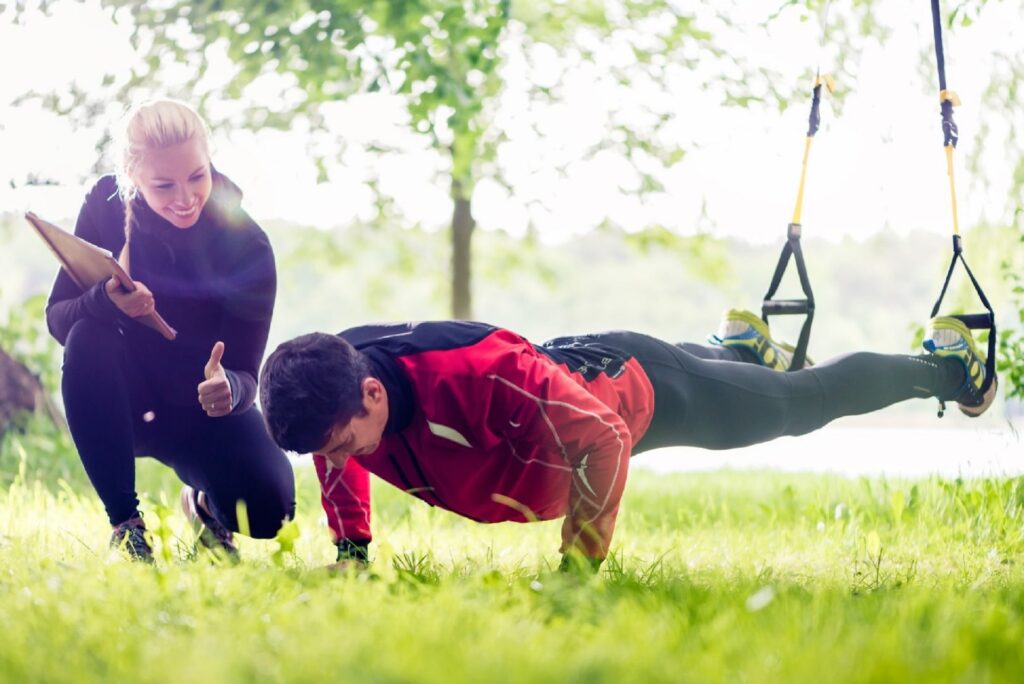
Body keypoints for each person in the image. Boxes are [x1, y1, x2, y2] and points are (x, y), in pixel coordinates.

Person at [258, 310, 997, 573]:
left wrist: (579, 571)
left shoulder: (478, 375)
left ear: (373, 394)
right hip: (579, 367)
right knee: (723, 375)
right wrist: (352, 554)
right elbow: (335, 456)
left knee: (798, 404)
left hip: (640, 394)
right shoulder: (340, 388)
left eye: (339, 443)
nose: (339, 463)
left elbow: (604, 439)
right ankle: (740, 346)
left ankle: (947, 366)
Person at [45, 99, 295, 562]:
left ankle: (205, 508)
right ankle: (127, 525)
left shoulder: (246, 242)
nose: (185, 198)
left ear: (210, 161)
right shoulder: (105, 207)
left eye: (197, 176)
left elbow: (245, 371)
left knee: (271, 509)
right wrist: (105, 300)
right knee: (88, 335)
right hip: (124, 402)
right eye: (163, 185)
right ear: (132, 177)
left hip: (203, 410)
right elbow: (58, 317)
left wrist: (230, 389)